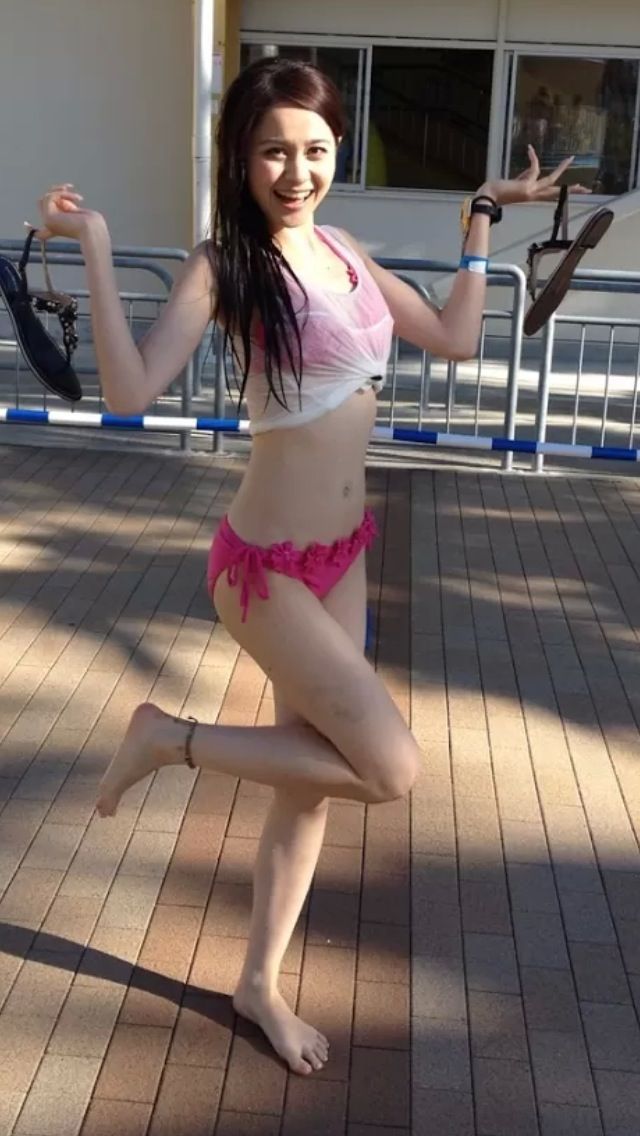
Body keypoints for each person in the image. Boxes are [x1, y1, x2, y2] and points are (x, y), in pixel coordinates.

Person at [33, 58, 578, 1078]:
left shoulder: (343, 249)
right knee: (389, 767)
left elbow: (456, 337)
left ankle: (259, 983)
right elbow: (128, 389)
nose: (296, 172)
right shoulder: (223, 266)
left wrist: (479, 213)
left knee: (310, 787)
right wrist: (98, 246)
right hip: (265, 571)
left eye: (316, 150)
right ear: (240, 159)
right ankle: (168, 738)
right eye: (273, 151)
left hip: (342, 553)